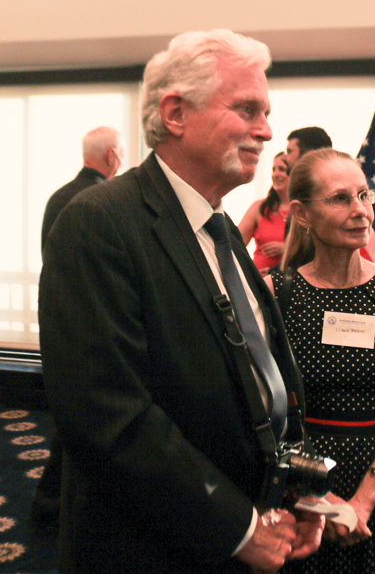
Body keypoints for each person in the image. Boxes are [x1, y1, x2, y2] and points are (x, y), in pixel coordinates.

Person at [38, 29, 324, 574]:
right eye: (247, 109)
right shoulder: (99, 222)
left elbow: (256, 379)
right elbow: (107, 417)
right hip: (152, 549)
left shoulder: (221, 229)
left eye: (267, 112)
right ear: (175, 113)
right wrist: (239, 529)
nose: (266, 130)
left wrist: (297, 493)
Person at [267, 148, 375, 573]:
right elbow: (263, 409)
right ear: (302, 214)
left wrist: (364, 499)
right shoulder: (275, 293)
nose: (361, 211)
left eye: (364, 195)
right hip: (299, 480)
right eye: (341, 199)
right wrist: (313, 497)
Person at [30, 125, 124, 534]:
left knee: (71, 422)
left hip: (60, 322)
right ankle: (52, 507)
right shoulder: (99, 203)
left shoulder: (60, 196)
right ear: (112, 157)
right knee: (81, 426)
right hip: (89, 331)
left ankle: (53, 506)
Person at [39, 126, 124, 252]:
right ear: (111, 156)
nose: (122, 162)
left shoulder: (57, 198)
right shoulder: (107, 201)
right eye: (122, 155)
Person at [238, 151, 290, 273]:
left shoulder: (303, 210)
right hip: (259, 281)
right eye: (274, 169)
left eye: (281, 169)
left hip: (289, 283)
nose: (275, 174)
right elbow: (234, 244)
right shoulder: (260, 207)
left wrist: (286, 249)